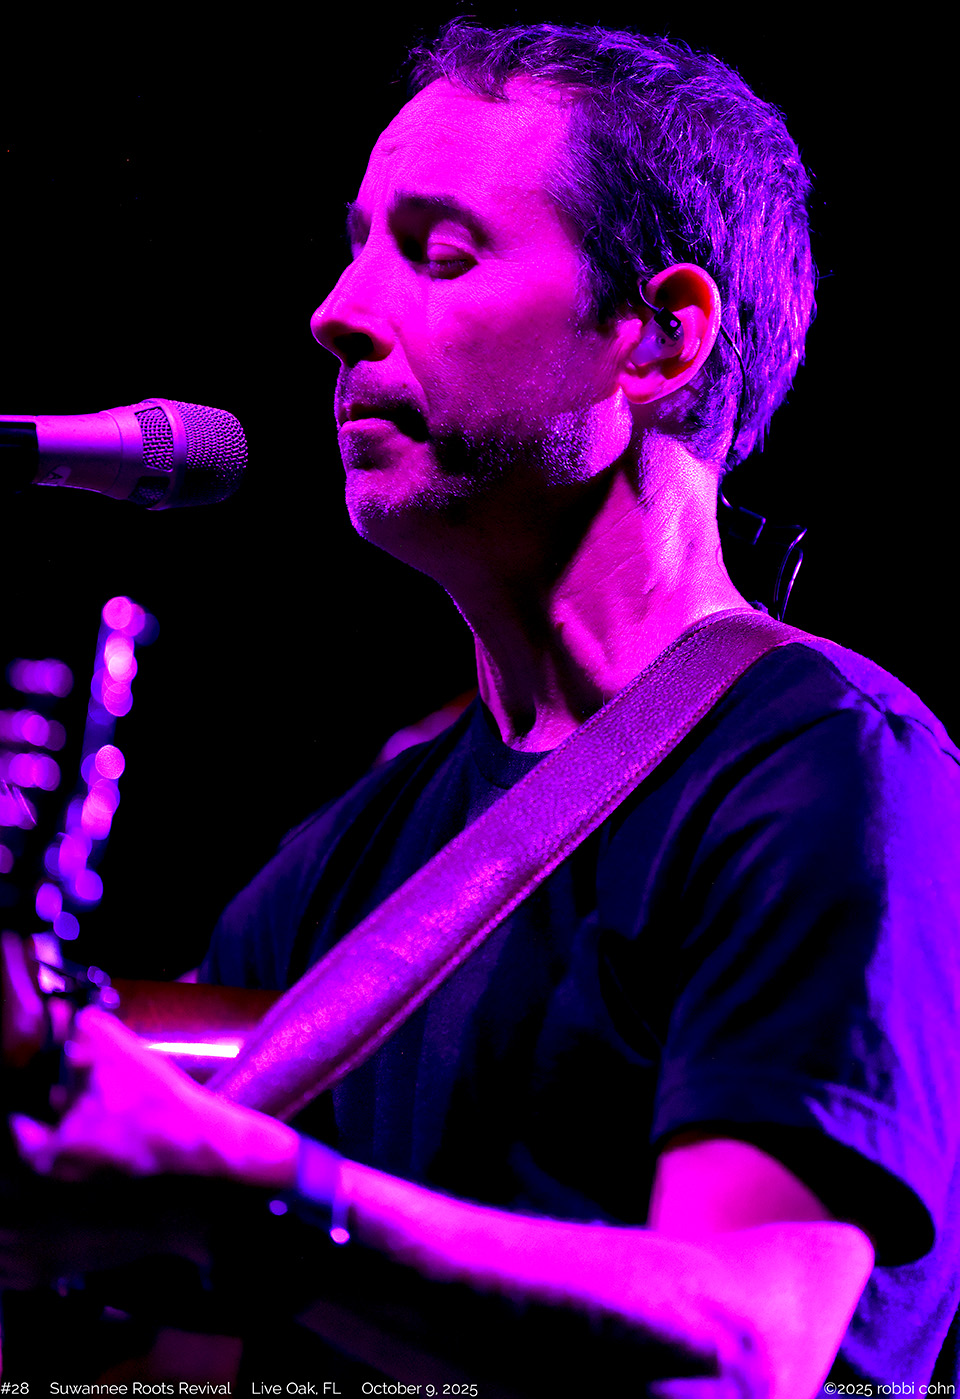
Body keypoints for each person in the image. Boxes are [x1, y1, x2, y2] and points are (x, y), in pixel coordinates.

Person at [8, 19, 960, 1395]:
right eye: (356, 246)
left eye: (439, 254)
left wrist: (249, 1192)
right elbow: (184, 1360)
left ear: (658, 340)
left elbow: (751, 1347)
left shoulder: (818, 763)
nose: (335, 313)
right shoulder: (338, 871)